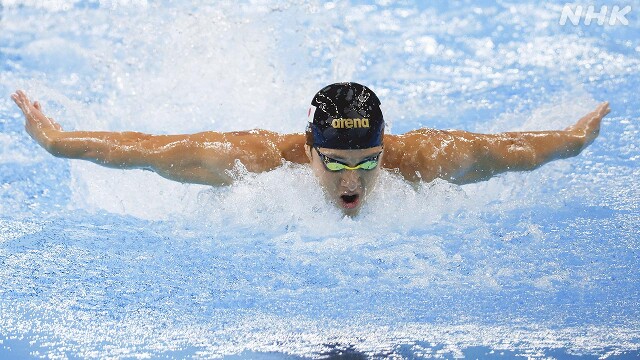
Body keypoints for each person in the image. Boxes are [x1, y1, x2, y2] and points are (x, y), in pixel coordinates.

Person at [11, 83, 610, 216]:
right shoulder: (256, 159)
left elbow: (514, 150)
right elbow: (145, 150)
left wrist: (576, 141)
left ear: (384, 144)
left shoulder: (424, 159)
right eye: (338, 163)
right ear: (308, 149)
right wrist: (60, 142)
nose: (353, 181)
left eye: (366, 161)